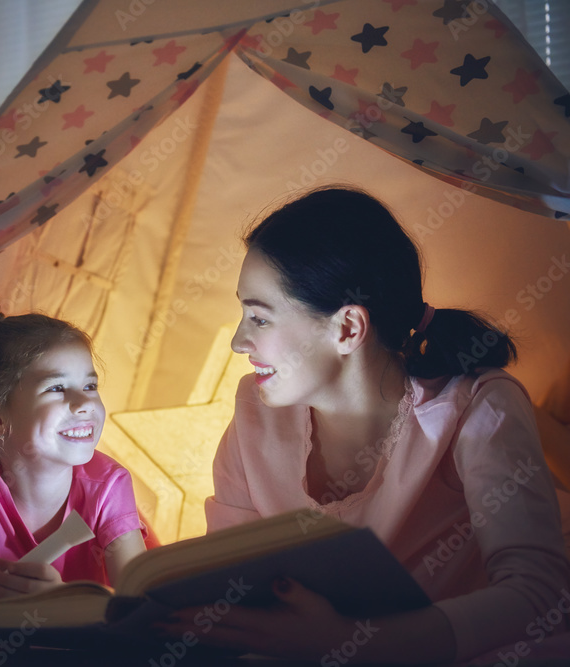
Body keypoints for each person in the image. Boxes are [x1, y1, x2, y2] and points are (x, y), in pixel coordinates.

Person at [167, 187, 570, 662]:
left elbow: (539, 595)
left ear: (347, 329)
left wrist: (351, 643)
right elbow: (229, 580)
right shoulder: (254, 415)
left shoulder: (476, 409)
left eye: (259, 317)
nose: (238, 341)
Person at [0, 298, 147, 598]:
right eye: (56, 388)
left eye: (90, 386)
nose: (84, 404)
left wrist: (63, 603)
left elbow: (138, 611)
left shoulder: (110, 485)